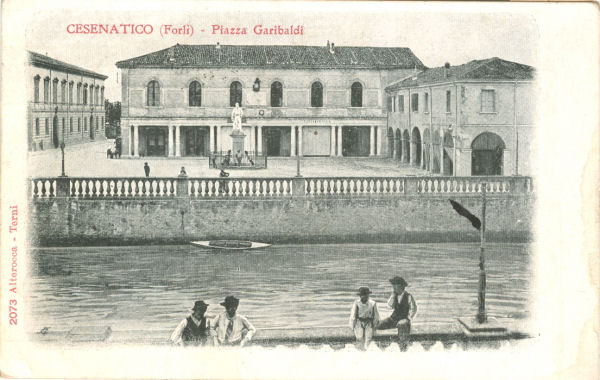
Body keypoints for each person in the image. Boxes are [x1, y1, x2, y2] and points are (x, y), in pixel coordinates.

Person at [377, 276, 417, 351]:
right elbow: (389, 305)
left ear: (401, 286)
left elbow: (413, 309)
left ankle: (403, 350)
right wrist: (393, 296)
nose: (393, 287)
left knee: (402, 331)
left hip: (403, 321)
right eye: (393, 285)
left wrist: (408, 319)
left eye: (395, 285)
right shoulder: (394, 295)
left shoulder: (408, 296)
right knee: (377, 325)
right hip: (393, 319)